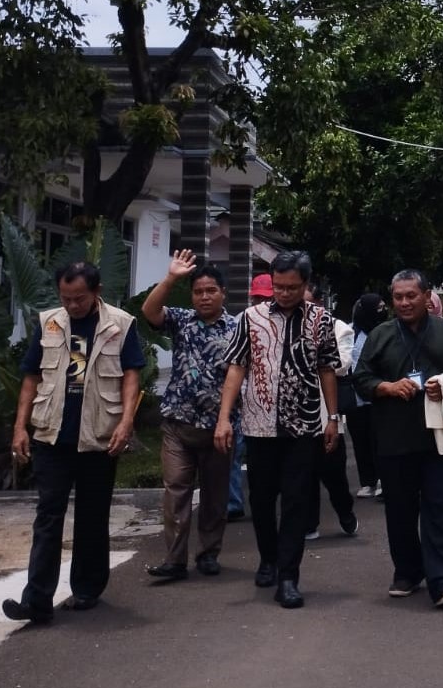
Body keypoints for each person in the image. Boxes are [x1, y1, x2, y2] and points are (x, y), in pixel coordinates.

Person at [2, 260, 145, 623]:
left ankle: (86, 589)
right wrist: (20, 427)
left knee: (92, 517)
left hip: (98, 435)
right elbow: (31, 377)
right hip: (52, 434)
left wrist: (127, 422)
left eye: (79, 298)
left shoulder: (120, 324)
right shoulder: (49, 321)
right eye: (66, 298)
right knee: (48, 515)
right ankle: (36, 600)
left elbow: (131, 375)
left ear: (96, 293)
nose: (72, 305)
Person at [214, 251, 341, 609]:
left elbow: (327, 369)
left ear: (305, 284)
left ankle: (289, 576)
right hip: (258, 426)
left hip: (303, 427)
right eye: (280, 287)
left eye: (293, 288)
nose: (285, 294)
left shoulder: (320, 319)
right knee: (262, 499)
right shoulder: (250, 319)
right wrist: (225, 418)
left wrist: (333, 418)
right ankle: (268, 557)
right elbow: (236, 368)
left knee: (298, 501)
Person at [351, 269, 443, 608]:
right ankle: (407, 569)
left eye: (411, 296)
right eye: (398, 297)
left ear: (426, 296)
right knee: (400, 509)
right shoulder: (380, 335)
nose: (404, 302)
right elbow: (360, 377)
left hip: (441, 437)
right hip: (394, 437)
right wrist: (386, 387)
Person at [142, 250, 238, 582]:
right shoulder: (181, 319)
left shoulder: (238, 329)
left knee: (215, 495)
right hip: (178, 425)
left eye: (211, 290)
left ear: (223, 293)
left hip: (219, 428)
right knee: (176, 491)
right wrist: (171, 278)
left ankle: (209, 553)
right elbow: (150, 311)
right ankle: (174, 560)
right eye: (198, 291)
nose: (204, 296)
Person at [305, 284, 358, 541]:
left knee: (333, 473)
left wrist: (310, 355)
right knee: (304, 474)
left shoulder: (339, 328)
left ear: (317, 302)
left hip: (328, 413)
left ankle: (345, 512)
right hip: (296, 417)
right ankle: (308, 523)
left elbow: (343, 364)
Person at [226, 272, 276, 521]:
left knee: (264, 457)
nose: (261, 303)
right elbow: (234, 364)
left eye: (266, 297)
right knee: (235, 452)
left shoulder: (284, 322)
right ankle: (234, 503)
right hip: (241, 400)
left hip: (270, 404)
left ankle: (266, 499)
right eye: (258, 297)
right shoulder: (241, 321)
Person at [347, 292, 386, 499]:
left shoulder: (385, 331)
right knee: (360, 439)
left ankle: (382, 479)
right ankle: (367, 481)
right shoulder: (350, 331)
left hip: (380, 394)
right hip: (356, 397)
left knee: (379, 439)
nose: (381, 311)